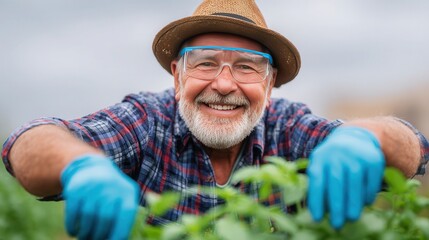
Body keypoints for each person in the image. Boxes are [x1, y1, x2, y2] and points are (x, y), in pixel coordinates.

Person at [2, 0, 428, 239]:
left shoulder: (286, 127)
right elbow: (30, 141)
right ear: (177, 75)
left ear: (271, 80)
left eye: (246, 66)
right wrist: (81, 165)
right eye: (205, 63)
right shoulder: (148, 121)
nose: (224, 84)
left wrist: (368, 139)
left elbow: (411, 148)